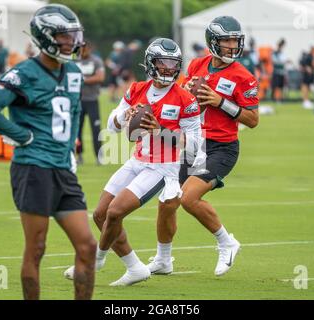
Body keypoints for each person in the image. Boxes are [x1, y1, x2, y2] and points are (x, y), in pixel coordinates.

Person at [64, 38, 203, 286]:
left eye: (173, 63)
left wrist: (160, 130)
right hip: (137, 160)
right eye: (163, 62)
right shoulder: (137, 89)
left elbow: (193, 145)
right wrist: (123, 117)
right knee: (99, 214)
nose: (169, 68)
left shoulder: (185, 99)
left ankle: (95, 260)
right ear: (151, 63)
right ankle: (135, 267)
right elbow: (111, 126)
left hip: (163, 167)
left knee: (115, 212)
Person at [0, 4, 97, 300]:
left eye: (73, 35)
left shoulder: (73, 71)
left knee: (87, 245)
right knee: (36, 248)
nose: (71, 42)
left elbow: (74, 111)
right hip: (33, 167)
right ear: (46, 37)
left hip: (62, 168)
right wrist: (20, 135)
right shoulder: (24, 72)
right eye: (63, 36)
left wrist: (71, 147)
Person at [148, 16, 259, 277]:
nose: (233, 46)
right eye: (226, 40)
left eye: (235, 40)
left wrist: (221, 102)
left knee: (188, 197)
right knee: (168, 200)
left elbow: (253, 120)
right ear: (212, 42)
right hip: (193, 144)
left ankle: (226, 242)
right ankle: (163, 259)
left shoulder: (244, 77)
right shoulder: (198, 64)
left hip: (222, 147)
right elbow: (183, 98)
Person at [76, 41, 105, 165]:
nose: (84, 50)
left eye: (86, 48)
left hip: (92, 100)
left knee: (96, 129)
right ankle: (79, 156)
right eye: (81, 48)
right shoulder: (74, 61)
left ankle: (99, 157)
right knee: (77, 130)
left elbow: (100, 77)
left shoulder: (96, 61)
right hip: (78, 101)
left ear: (90, 48)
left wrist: (82, 80)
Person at [271, 39, 286, 103]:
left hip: (282, 72)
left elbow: (283, 61)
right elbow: (275, 61)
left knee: (281, 86)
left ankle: (281, 98)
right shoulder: (275, 53)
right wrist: (281, 62)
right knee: (276, 86)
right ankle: (276, 98)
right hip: (276, 72)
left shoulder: (282, 53)